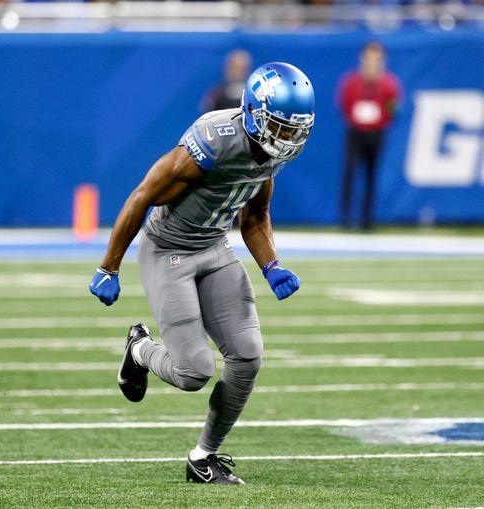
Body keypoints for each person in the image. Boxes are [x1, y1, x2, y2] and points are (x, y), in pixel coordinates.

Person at [90, 62, 314, 485]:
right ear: (253, 113)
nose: (286, 139)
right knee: (193, 372)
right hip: (169, 249)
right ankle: (139, 349)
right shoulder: (213, 142)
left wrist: (272, 265)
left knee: (247, 355)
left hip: (215, 247)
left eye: (294, 130)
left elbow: (255, 215)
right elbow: (143, 196)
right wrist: (109, 266)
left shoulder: (271, 154)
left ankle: (203, 458)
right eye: (279, 127)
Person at [337, 42, 402, 230]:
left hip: (376, 133)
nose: (372, 63)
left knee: (371, 176)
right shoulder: (351, 82)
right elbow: (345, 105)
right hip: (356, 132)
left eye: (376, 59)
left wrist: (379, 122)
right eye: (369, 58)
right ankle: (346, 219)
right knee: (349, 173)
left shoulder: (389, 84)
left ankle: (367, 220)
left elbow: (393, 109)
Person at [199, 49, 252, 114]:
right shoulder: (217, 94)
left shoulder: (252, 93)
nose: (237, 72)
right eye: (234, 68)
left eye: (241, 68)